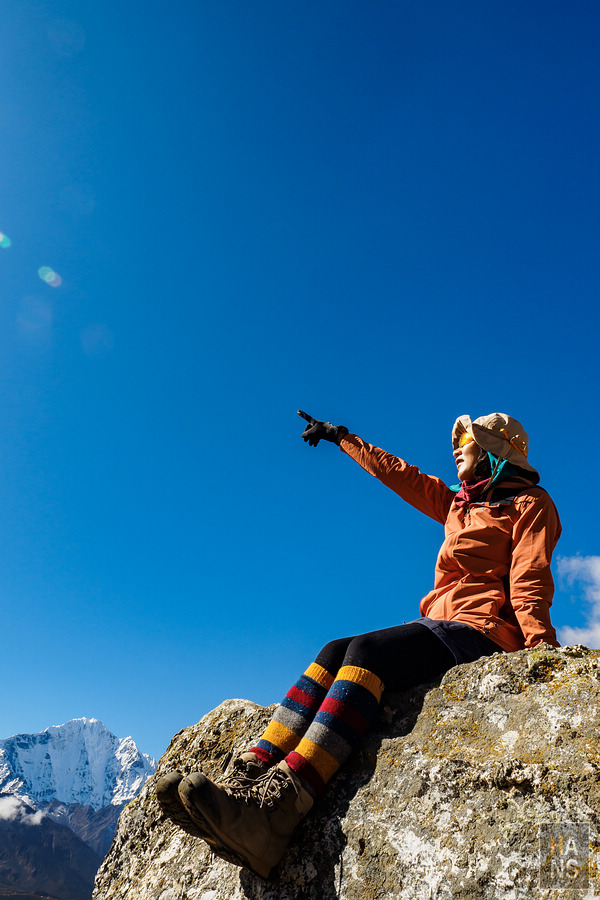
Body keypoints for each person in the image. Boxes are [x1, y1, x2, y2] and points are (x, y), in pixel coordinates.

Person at [156, 410, 561, 879]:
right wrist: (342, 438)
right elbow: (400, 474)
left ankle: (279, 812)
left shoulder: (531, 504)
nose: (456, 449)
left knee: (366, 654)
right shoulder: (460, 505)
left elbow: (530, 577)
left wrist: (539, 649)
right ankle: (248, 778)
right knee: (334, 650)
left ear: (494, 452)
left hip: (483, 633)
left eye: (467, 441)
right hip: (442, 626)